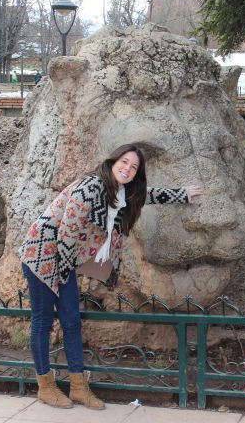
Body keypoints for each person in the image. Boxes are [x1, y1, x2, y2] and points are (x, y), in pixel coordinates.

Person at [20, 144, 203, 409]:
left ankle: (78, 388)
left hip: (63, 259)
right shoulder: (91, 186)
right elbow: (67, 233)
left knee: (71, 322)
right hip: (42, 255)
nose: (127, 169)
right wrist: (62, 279)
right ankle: (45, 387)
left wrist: (182, 194)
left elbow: (148, 194)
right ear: (113, 160)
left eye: (134, 167)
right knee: (43, 322)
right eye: (124, 162)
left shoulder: (122, 192)